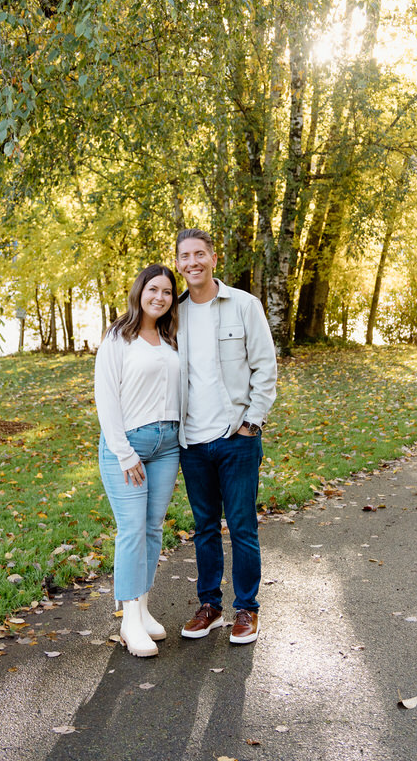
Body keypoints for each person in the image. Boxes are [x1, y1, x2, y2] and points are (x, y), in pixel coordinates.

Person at [174, 228, 277, 644]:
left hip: (236, 437)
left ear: (213, 259)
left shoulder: (243, 305)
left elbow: (265, 367)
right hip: (191, 442)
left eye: (200, 254)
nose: (193, 262)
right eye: (185, 256)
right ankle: (210, 606)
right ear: (178, 262)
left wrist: (252, 423)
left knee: (241, 526)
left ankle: (247, 609)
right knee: (203, 528)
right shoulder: (173, 313)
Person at [94, 264, 182, 657]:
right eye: (153, 290)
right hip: (128, 445)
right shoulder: (118, 336)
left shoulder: (170, 339)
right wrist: (124, 452)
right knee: (131, 529)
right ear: (139, 291)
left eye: (167, 291)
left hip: (168, 445)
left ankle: (143, 610)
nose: (160, 297)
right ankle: (129, 621)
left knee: (152, 529)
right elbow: (106, 397)